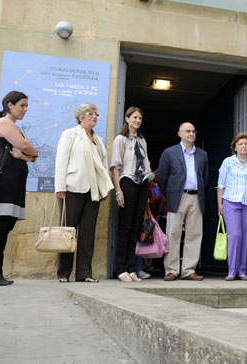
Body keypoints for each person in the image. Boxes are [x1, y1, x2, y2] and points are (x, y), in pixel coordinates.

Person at [0, 91, 38, 286]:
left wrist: (26, 155)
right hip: (3, 183)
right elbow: (25, 146)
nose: (25, 109)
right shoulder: (4, 123)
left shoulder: (14, 126)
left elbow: (31, 156)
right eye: (22, 105)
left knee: (5, 227)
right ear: (9, 105)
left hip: (13, 184)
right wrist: (30, 150)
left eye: (26, 105)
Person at [55, 103, 113, 283]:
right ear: (81, 118)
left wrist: (103, 189)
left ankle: (84, 274)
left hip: (93, 191)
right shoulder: (70, 134)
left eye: (96, 114)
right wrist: (60, 187)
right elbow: (61, 160)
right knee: (68, 231)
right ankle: (63, 273)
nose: (94, 116)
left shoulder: (98, 139)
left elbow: (102, 166)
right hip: (72, 188)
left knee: (88, 233)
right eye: (90, 114)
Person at [158, 122, 208, 281]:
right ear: (179, 134)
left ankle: (189, 270)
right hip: (177, 197)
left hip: (196, 197)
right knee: (173, 233)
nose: (191, 134)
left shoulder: (202, 155)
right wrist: (170, 193)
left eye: (193, 131)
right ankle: (171, 270)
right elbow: (162, 177)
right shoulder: (169, 153)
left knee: (194, 234)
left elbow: (204, 178)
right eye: (188, 131)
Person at [110, 106, 153, 282]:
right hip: (127, 181)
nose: (137, 121)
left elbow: (146, 164)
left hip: (142, 183)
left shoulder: (142, 141)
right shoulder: (120, 139)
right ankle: (120, 269)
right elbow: (115, 166)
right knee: (125, 227)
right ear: (127, 119)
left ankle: (131, 268)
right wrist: (118, 190)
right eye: (134, 117)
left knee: (135, 228)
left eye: (140, 119)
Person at [217, 132, 247, 281]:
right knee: (235, 235)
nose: (244, 146)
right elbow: (221, 185)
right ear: (235, 147)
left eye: (246, 144)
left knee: (245, 237)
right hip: (231, 202)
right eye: (240, 144)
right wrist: (220, 204)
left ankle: (241, 271)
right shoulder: (228, 162)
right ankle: (231, 271)